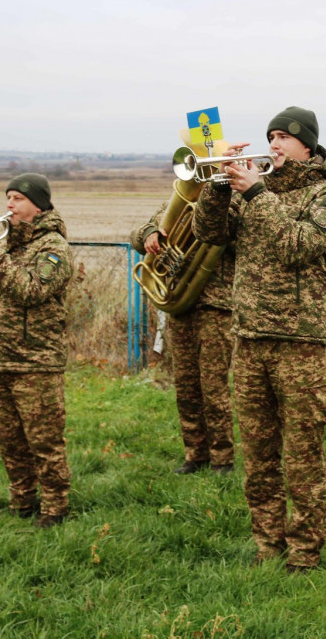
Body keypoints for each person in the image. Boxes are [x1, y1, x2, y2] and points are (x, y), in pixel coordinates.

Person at [192, 107, 326, 572]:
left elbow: (298, 244)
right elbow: (208, 233)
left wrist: (256, 192)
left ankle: (305, 552)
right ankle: (267, 545)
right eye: (270, 136)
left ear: (308, 146)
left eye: (284, 137)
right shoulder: (250, 194)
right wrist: (219, 186)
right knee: (259, 456)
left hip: (301, 344)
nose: (274, 144)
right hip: (250, 339)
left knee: (302, 459)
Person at [0, 173, 74, 528]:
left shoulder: (53, 248)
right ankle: (21, 500)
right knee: (9, 441)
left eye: (17, 199)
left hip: (36, 361)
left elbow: (32, 290)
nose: (9, 205)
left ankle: (55, 507)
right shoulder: (5, 243)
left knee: (44, 441)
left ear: (39, 205)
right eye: (8, 198)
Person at [129, 178, 236, 475]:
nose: (200, 177)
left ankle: (222, 458)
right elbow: (137, 236)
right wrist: (149, 233)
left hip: (216, 305)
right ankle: (195, 454)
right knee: (186, 385)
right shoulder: (174, 204)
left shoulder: (234, 202)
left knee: (213, 386)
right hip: (180, 303)